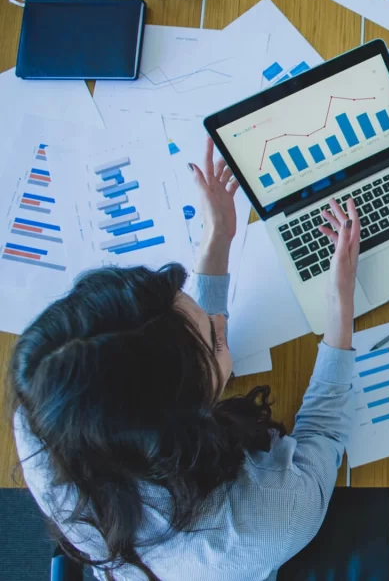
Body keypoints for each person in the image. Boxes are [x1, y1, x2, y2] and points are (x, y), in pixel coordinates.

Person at [9, 139, 362, 581]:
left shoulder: (45, 403)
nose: (219, 323)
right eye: (214, 343)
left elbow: (156, 350)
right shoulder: (269, 518)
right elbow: (324, 433)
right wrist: (340, 303)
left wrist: (217, 239)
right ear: (189, 418)